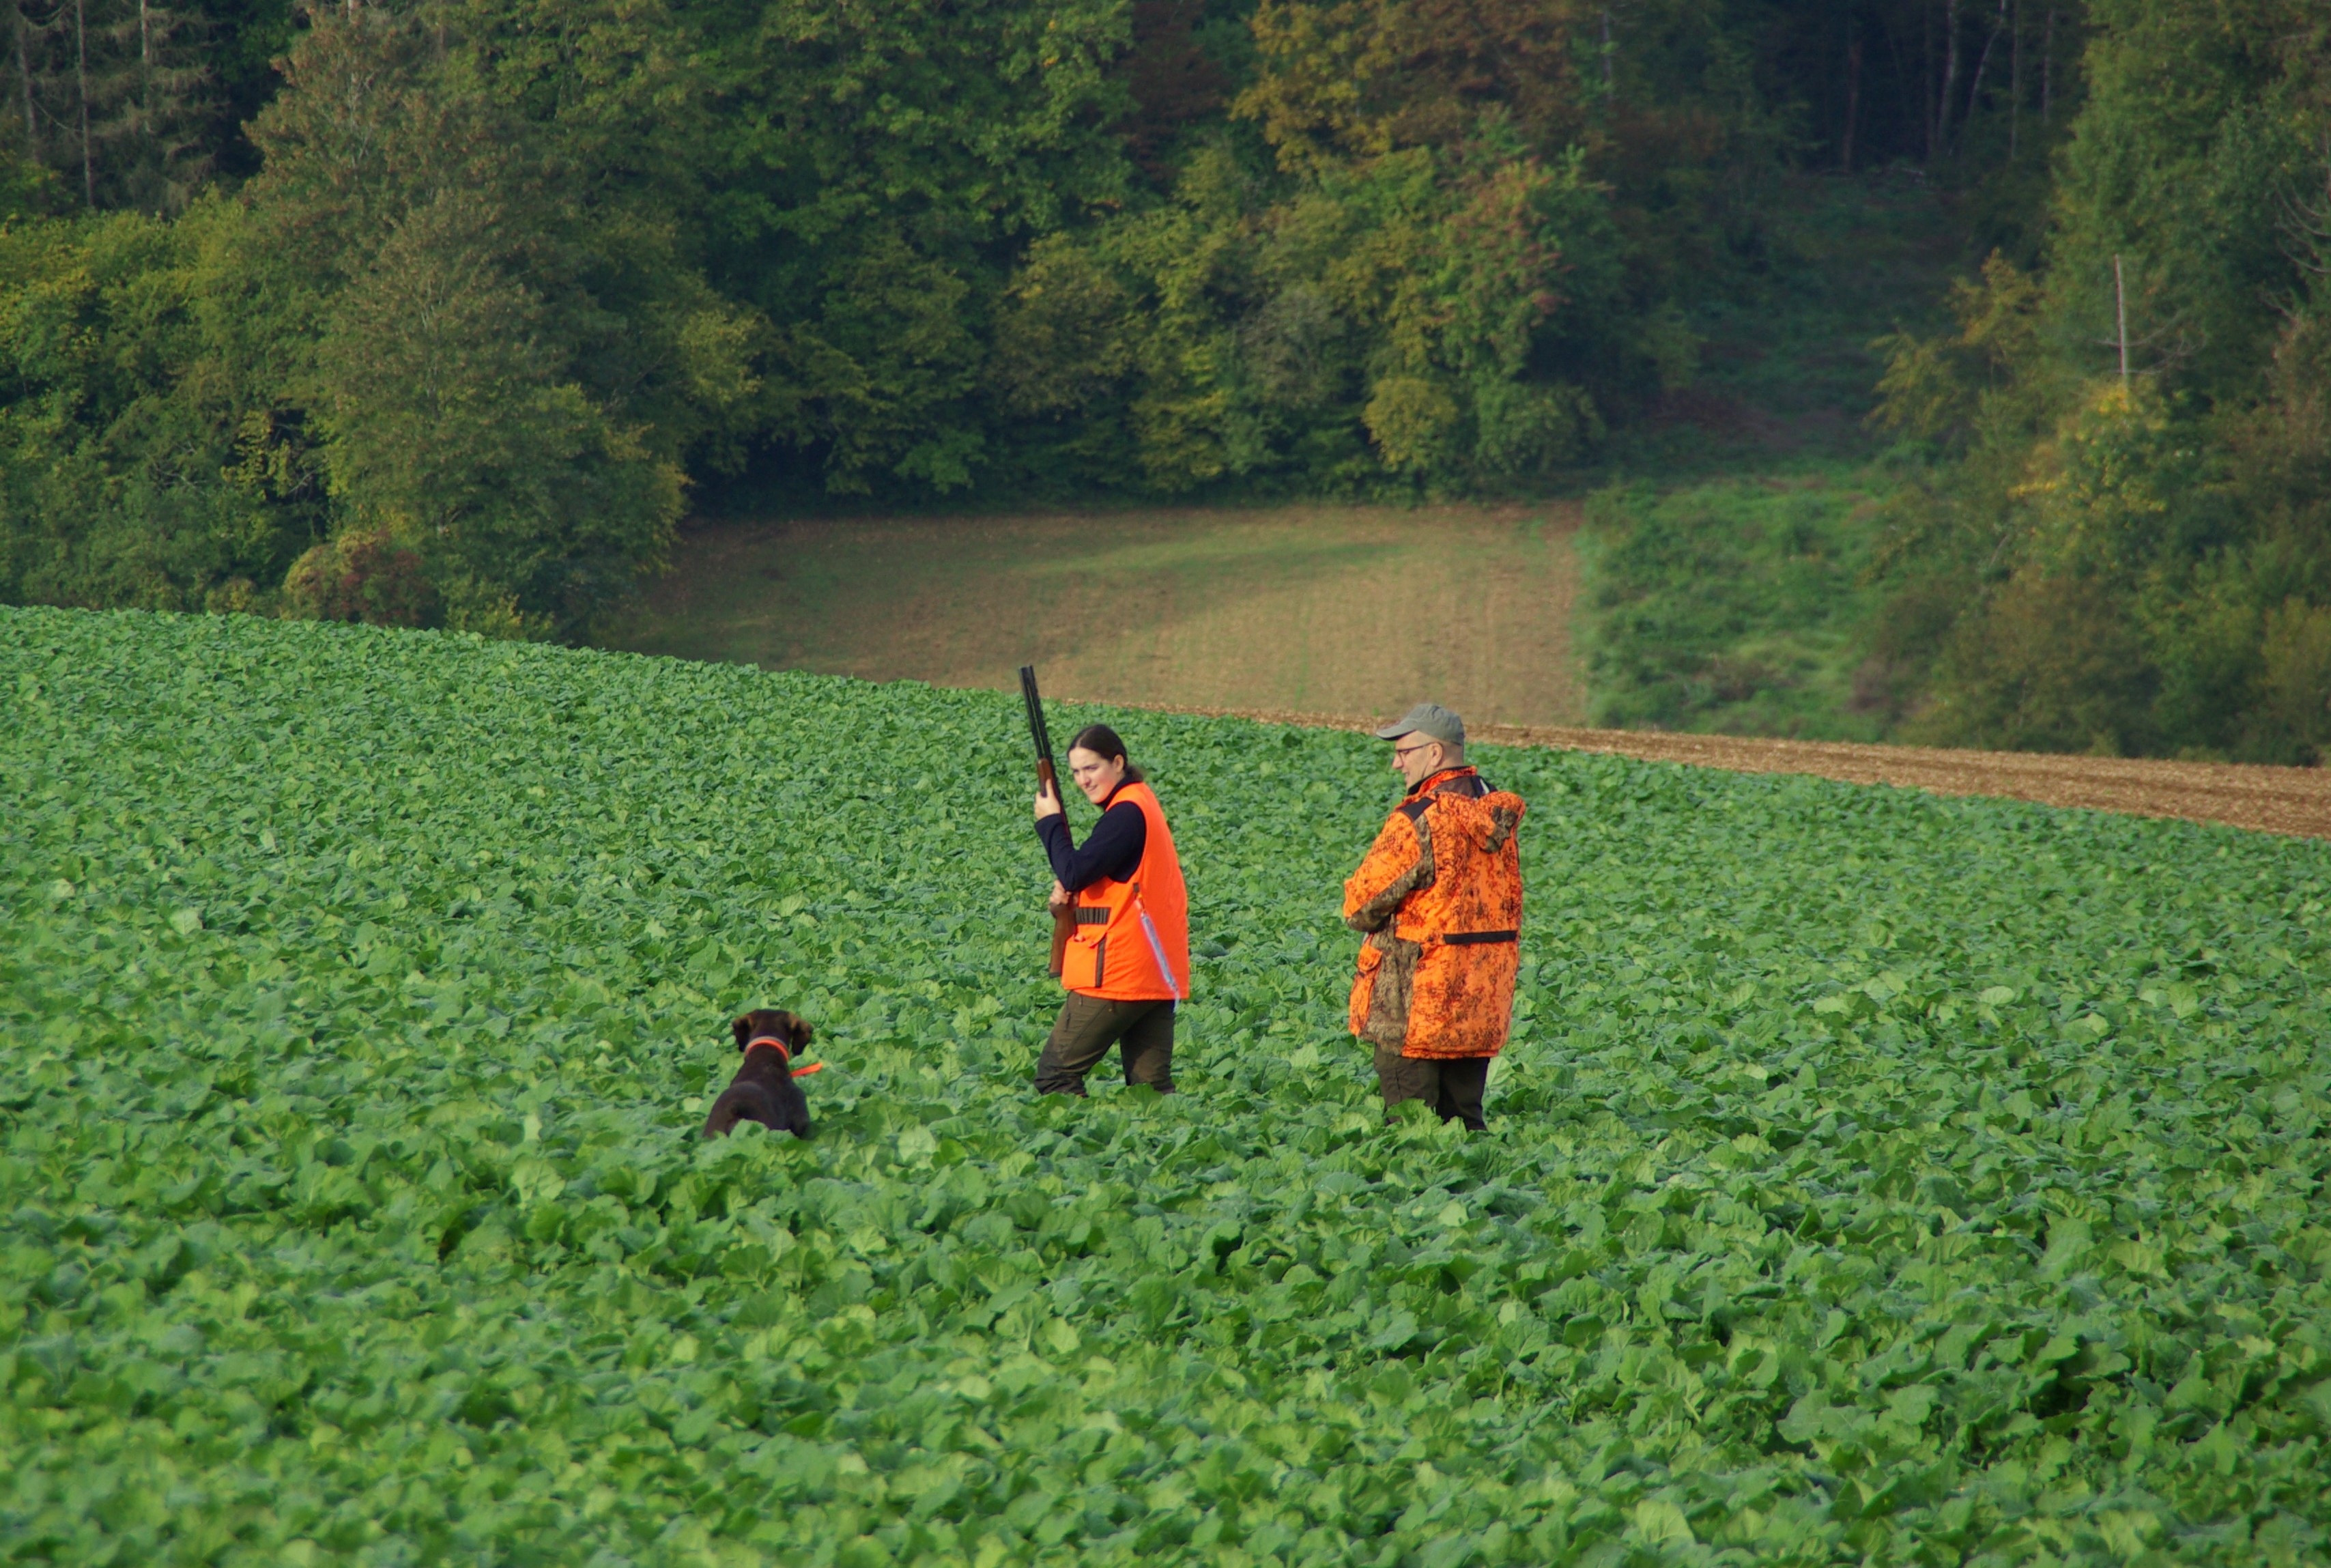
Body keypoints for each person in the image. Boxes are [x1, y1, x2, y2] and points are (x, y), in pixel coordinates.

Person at [1342, 702, 1526, 1130]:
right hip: (1479, 1007)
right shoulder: (1497, 817)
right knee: (1466, 1128)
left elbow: (1360, 907)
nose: (1396, 763)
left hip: (1415, 1010)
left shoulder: (1418, 819)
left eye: (1404, 752)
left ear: (1435, 754)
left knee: (1411, 1140)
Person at [1030, 724, 1190, 1095]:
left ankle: (1080, 1153)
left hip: (1119, 972)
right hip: (1156, 975)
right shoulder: (1142, 803)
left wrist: (1050, 821)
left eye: (1092, 768)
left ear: (1118, 763)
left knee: (1055, 1076)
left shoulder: (1126, 814)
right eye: (1075, 772)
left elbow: (1072, 871)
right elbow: (1106, 880)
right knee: (1150, 1091)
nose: (1083, 780)